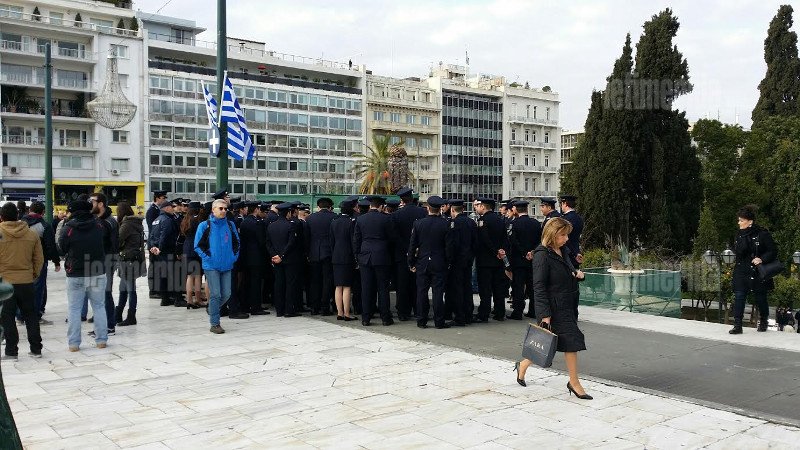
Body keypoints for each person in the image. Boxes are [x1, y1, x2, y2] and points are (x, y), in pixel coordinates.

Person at [515, 217, 591, 399]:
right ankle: (574, 382)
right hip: (554, 307)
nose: (566, 239)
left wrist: (577, 274)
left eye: (567, 235)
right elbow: (538, 287)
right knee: (571, 341)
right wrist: (544, 315)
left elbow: (568, 271)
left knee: (547, 343)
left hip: (568, 303)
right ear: (552, 234)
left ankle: (523, 365)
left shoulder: (563, 250)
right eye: (563, 235)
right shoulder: (541, 255)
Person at [59, 200, 109, 351]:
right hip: (97, 270)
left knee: (74, 309)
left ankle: (74, 344)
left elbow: (62, 247)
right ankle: (101, 341)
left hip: (76, 272)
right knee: (99, 306)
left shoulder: (68, 227)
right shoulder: (100, 225)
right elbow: (106, 244)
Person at [0, 202, 44, 359]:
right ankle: (36, 349)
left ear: (2, 217)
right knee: (30, 315)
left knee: (7, 317)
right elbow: (39, 258)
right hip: (26, 281)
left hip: (5, 282)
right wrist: (33, 274)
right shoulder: (31, 233)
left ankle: (11, 351)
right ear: (18, 215)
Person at [729, 205, 777, 334]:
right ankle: (737, 325)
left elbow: (773, 251)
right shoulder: (739, 235)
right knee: (739, 296)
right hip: (741, 269)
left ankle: (764, 320)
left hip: (757, 270)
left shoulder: (763, 234)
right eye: (739, 220)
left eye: (741, 220)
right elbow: (738, 252)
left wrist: (761, 258)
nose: (739, 223)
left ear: (750, 221)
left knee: (760, 297)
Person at [195, 199, 240, 334]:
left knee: (226, 294)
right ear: (213, 210)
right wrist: (208, 258)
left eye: (225, 209)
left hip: (227, 264)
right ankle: (215, 323)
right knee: (215, 294)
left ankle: (212, 308)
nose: (224, 211)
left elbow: (237, 243)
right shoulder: (204, 225)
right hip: (211, 265)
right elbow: (197, 246)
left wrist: (233, 257)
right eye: (221, 208)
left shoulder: (230, 225)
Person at [408, 196, 453, 329]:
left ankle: (421, 320)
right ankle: (439, 321)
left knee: (421, 292)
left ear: (427, 208)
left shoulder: (418, 224)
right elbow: (449, 247)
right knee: (438, 293)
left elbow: (412, 245)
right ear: (440, 209)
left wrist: (411, 263)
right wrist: (448, 262)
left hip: (422, 262)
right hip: (439, 262)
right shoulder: (446, 224)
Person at [353, 195, 395, 326]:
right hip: (382, 256)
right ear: (381, 206)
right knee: (383, 288)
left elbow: (356, 240)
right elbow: (392, 239)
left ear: (370, 205)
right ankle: (385, 318)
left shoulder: (361, 219)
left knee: (366, 288)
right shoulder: (386, 219)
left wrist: (357, 256)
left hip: (365, 257)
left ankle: (366, 318)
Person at [22, 201, 61, 324]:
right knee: (38, 288)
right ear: (43, 212)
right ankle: (36, 315)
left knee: (21, 288)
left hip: (22, 260)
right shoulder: (44, 226)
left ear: (30, 210)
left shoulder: (20, 223)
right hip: (40, 261)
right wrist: (56, 261)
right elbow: (50, 246)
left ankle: (19, 316)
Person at [391, 187, 426, 321]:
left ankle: (403, 312)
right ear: (412, 198)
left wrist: (406, 249)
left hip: (401, 255)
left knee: (402, 284)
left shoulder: (396, 215)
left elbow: (394, 236)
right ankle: (418, 310)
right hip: (419, 254)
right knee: (418, 284)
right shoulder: (422, 212)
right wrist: (416, 248)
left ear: (402, 200)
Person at [473, 197, 509, 322]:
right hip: (499, 260)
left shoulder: (482, 220)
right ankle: (500, 312)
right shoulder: (500, 220)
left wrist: (495, 251)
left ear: (483, 206)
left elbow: (484, 239)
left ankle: (484, 313)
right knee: (498, 288)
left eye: (478, 205)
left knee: (485, 289)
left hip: (485, 260)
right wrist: (502, 250)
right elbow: (505, 238)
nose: (477, 208)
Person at [506, 201, 542, 320]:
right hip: (533, 259)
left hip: (518, 261)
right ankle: (533, 311)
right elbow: (541, 240)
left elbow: (513, 242)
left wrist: (523, 253)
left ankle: (518, 311)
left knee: (518, 286)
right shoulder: (536, 223)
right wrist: (531, 252)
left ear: (516, 209)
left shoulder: (514, 224)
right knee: (532, 287)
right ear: (527, 209)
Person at [90, 192, 119, 335]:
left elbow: (106, 244)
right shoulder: (101, 219)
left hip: (106, 260)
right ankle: (102, 325)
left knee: (105, 293)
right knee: (100, 294)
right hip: (103, 260)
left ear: (101, 204)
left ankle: (109, 326)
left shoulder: (106, 221)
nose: (91, 204)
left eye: (93, 201)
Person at [267, 203, 303, 318]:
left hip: (276, 260)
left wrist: (275, 255)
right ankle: (289, 310)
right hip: (289, 260)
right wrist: (282, 256)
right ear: (288, 213)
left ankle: (279, 310)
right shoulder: (291, 225)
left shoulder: (271, 226)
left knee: (279, 284)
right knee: (290, 284)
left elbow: (268, 243)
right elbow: (291, 243)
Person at [446, 199, 476, 326]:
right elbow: (475, 242)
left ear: (453, 210)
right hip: (468, 259)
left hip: (457, 260)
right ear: (463, 209)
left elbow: (452, 244)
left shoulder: (454, 223)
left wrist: (449, 259)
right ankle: (468, 314)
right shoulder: (471, 222)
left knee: (457, 288)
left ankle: (459, 316)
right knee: (467, 287)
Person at [116, 202, 145, 326]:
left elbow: (118, 240)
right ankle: (118, 314)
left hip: (127, 259)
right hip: (133, 258)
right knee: (123, 288)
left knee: (130, 289)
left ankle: (131, 316)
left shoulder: (127, 224)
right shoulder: (135, 223)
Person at [306, 197, 337, 316]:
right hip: (328, 253)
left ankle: (314, 307)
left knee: (314, 281)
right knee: (327, 281)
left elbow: (307, 238)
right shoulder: (334, 217)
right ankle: (325, 307)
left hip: (314, 253)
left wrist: (308, 253)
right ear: (329, 207)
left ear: (318, 207)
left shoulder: (310, 218)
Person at [238, 202, 269, 316]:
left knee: (246, 282)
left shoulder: (245, 222)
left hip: (246, 256)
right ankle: (256, 307)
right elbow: (261, 241)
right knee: (256, 283)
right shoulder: (257, 223)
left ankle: (245, 305)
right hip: (256, 257)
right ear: (256, 210)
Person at [149, 199, 181, 307]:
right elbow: (165, 235)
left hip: (158, 253)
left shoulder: (156, 220)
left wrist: (153, 248)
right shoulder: (167, 220)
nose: (173, 209)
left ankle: (165, 299)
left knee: (163, 276)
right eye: (172, 207)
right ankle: (178, 299)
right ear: (167, 208)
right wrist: (161, 248)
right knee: (175, 275)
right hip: (167, 251)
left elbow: (151, 236)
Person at [330, 199, 358, 320]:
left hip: (336, 256)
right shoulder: (351, 222)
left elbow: (331, 242)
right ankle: (347, 313)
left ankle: (339, 312)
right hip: (348, 257)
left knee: (338, 286)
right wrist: (356, 257)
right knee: (347, 286)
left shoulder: (334, 222)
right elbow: (354, 242)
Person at [180, 202, 205, 309]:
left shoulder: (185, 220)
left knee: (190, 276)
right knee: (198, 275)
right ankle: (198, 299)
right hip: (196, 248)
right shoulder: (198, 220)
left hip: (187, 247)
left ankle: (189, 300)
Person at [146, 190, 169, 298]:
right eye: (163, 198)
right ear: (158, 198)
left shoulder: (157, 210)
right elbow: (153, 229)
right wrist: (154, 245)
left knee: (158, 267)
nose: (164, 199)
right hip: (154, 243)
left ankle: (158, 289)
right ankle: (153, 290)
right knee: (154, 267)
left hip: (157, 243)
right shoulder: (152, 211)